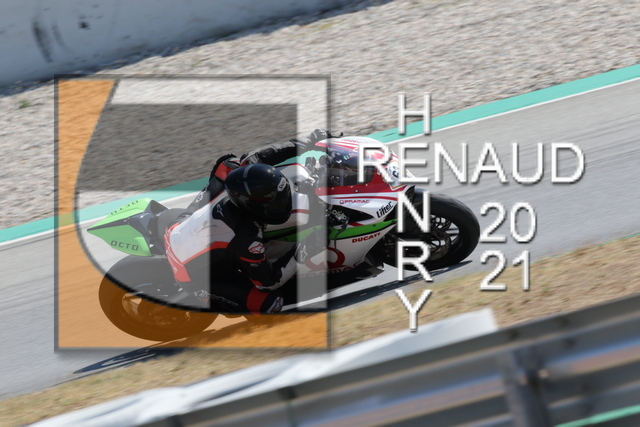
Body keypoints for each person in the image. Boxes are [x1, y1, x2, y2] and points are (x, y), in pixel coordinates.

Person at [163, 130, 332, 315]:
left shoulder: (237, 180)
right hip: (188, 273)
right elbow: (268, 282)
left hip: (179, 225)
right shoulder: (246, 239)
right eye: (276, 203)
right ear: (252, 205)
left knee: (228, 165)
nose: (284, 204)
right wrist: (304, 249)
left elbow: (260, 156)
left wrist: (308, 142)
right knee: (271, 303)